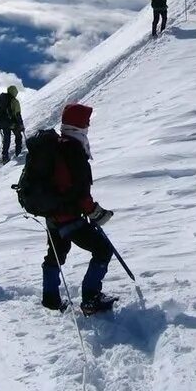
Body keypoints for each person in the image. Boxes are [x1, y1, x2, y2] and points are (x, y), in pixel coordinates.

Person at [41, 102, 116, 315]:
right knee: (102, 250)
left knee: (56, 253)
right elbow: (80, 191)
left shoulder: (56, 145)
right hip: (68, 216)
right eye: (86, 121)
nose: (89, 125)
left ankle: (50, 298)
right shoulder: (73, 150)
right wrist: (96, 212)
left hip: (52, 215)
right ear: (79, 124)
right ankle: (91, 299)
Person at [0, 85, 25, 163]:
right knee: (18, 136)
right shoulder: (14, 101)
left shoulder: (2, 99)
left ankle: (5, 156)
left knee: (6, 139)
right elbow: (17, 114)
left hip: (3, 123)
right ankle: (18, 152)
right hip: (12, 123)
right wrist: (21, 124)